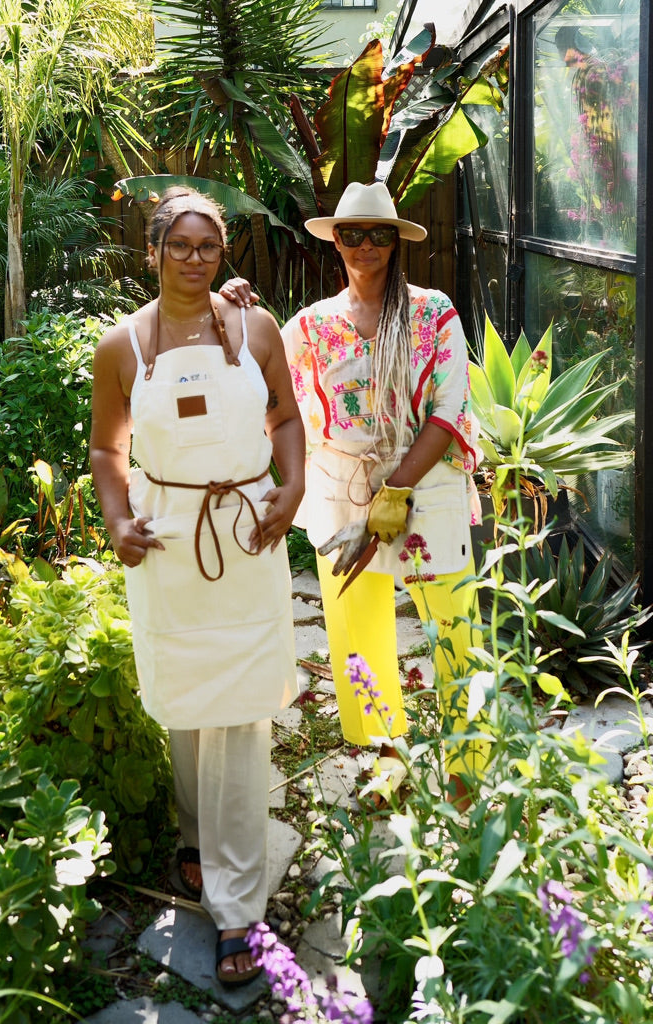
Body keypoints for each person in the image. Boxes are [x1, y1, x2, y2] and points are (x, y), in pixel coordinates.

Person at [89, 186, 305, 986]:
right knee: (185, 702)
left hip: (246, 534)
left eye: (206, 246)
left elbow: (284, 416)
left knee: (244, 716)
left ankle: (238, 908)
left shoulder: (255, 328)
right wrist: (117, 521)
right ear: (152, 252)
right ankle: (193, 838)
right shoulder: (123, 346)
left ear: (223, 252)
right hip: (171, 544)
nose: (192, 258)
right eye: (177, 245)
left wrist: (292, 484)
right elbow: (109, 452)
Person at [221, 181, 485, 807]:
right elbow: (258, 380)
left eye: (379, 234)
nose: (366, 245)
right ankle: (383, 759)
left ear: (395, 242)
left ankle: (467, 767)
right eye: (354, 234)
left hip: (427, 481)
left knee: (454, 627)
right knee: (356, 630)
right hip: (340, 490)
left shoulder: (433, 313)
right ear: (336, 240)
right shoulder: (310, 327)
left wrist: (392, 496)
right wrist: (230, 308)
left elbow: (448, 411)